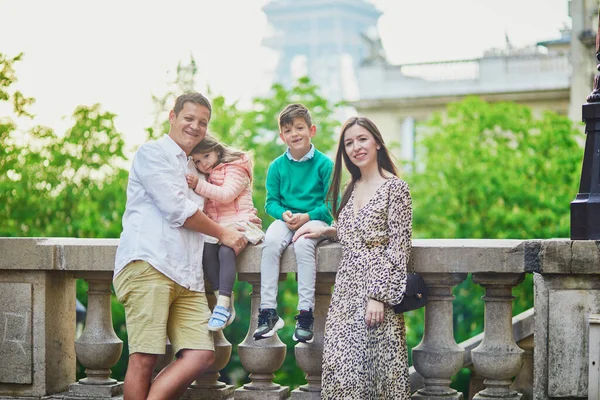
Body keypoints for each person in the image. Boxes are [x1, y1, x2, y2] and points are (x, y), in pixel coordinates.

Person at [113, 92, 248, 400]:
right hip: (150, 265)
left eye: (203, 122)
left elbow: (223, 200)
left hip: (189, 277)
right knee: (145, 357)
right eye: (189, 118)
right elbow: (177, 209)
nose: (195, 127)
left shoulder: (199, 167)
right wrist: (223, 234)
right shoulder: (153, 154)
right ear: (172, 116)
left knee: (202, 355)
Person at [293, 117, 412, 399]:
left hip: (376, 292)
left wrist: (378, 296)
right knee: (341, 373)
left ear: (377, 142)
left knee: (376, 377)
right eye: (349, 143)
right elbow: (355, 233)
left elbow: (399, 248)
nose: (356, 147)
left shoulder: (396, 188)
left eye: (362, 139)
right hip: (345, 293)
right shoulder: (351, 187)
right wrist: (327, 229)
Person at [252, 103, 334, 343]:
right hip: (287, 218)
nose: (295, 134)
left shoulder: (325, 164)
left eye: (300, 128)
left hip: (315, 217)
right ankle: (268, 312)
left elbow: (331, 204)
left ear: (312, 130)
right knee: (271, 242)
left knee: (303, 245)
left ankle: (305, 313)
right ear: (282, 136)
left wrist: (308, 217)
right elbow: (271, 203)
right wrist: (284, 214)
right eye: (288, 130)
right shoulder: (277, 166)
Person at [186, 134, 264, 331]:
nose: (203, 164)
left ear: (217, 150)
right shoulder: (208, 174)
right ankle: (225, 300)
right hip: (221, 227)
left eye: (206, 156)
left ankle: (222, 304)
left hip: (242, 222)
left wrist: (198, 184)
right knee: (207, 251)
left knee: (225, 251)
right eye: (197, 161)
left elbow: (226, 196)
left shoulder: (236, 167)